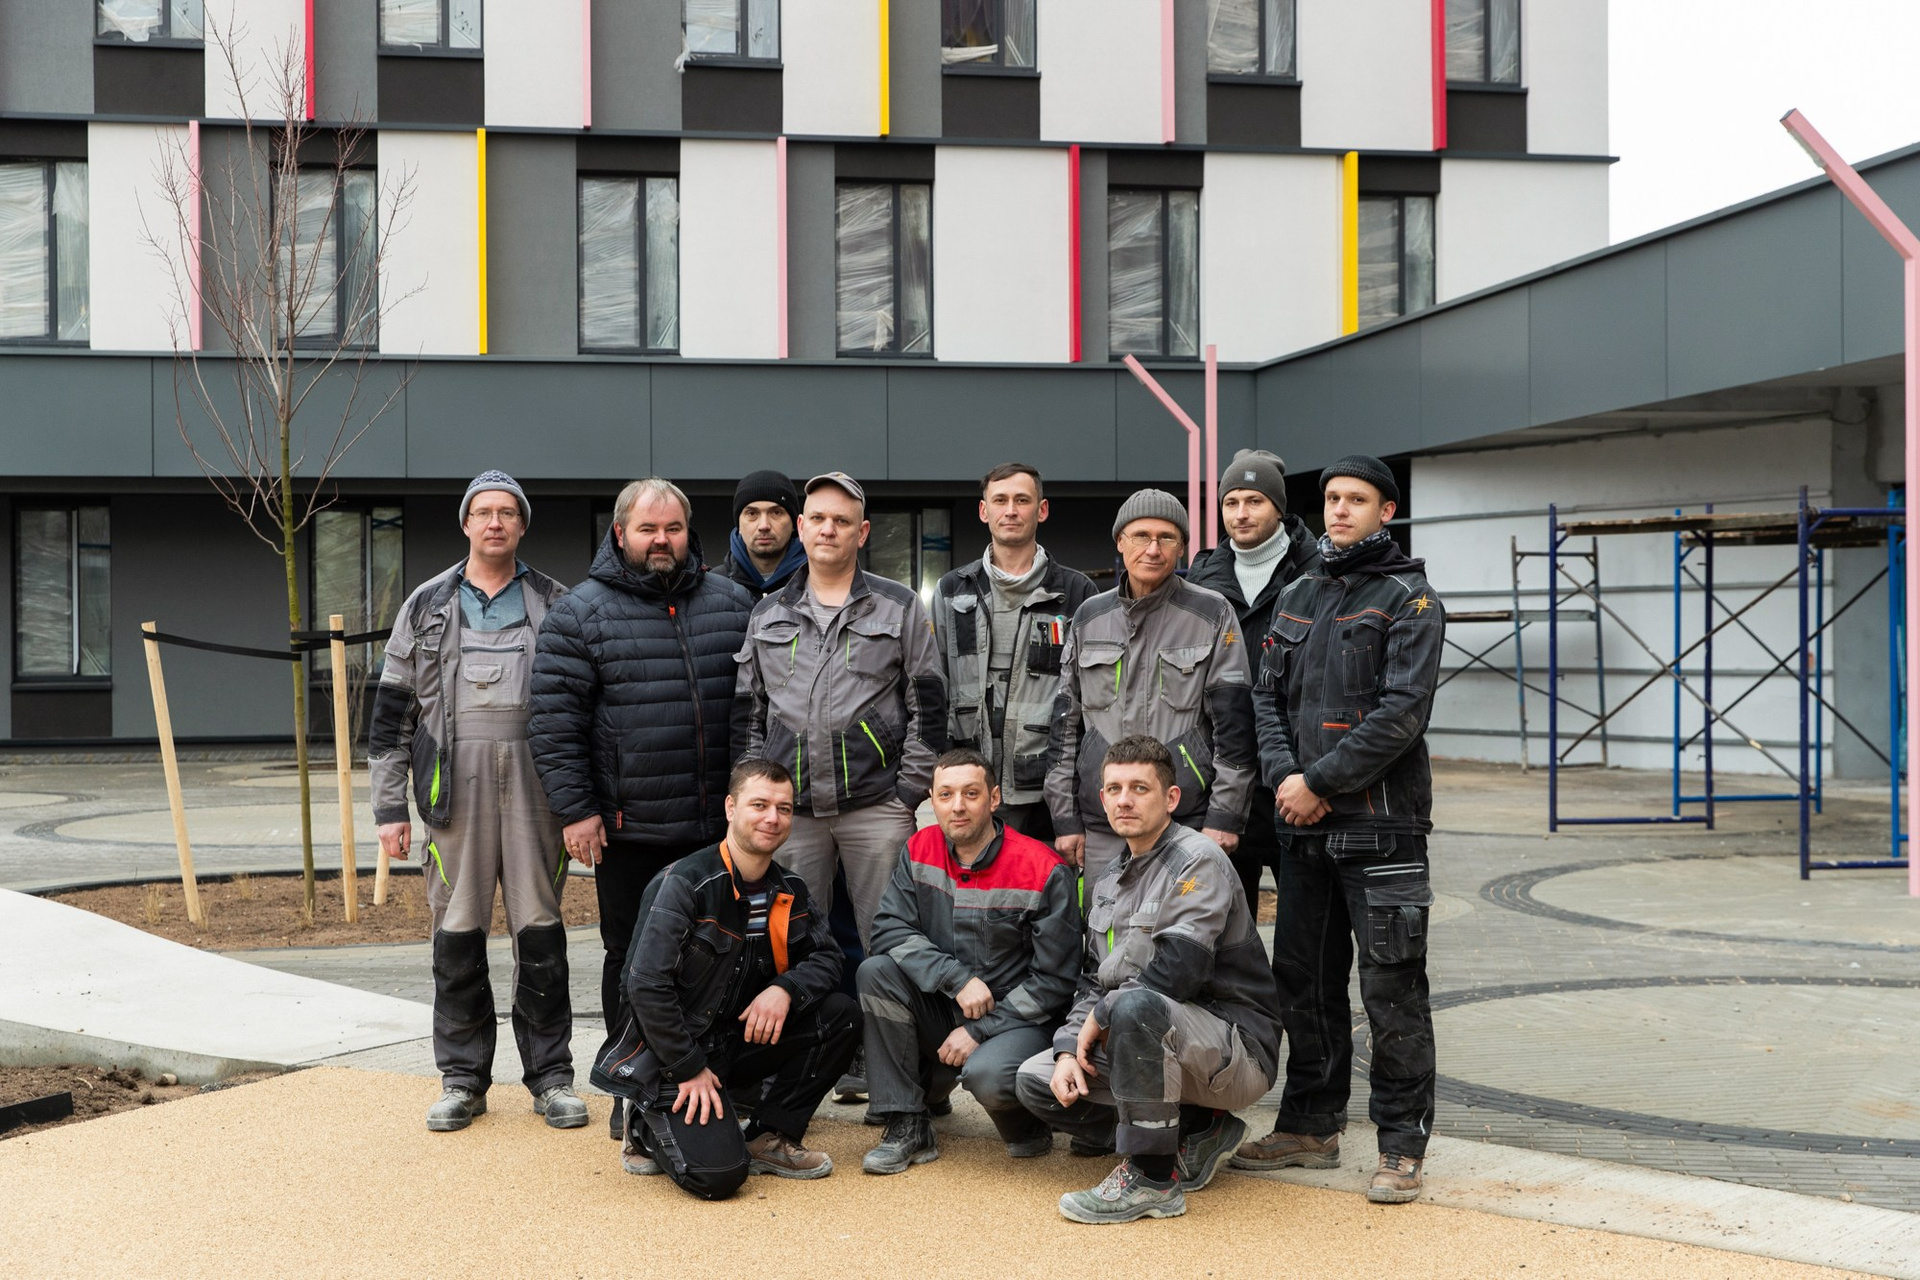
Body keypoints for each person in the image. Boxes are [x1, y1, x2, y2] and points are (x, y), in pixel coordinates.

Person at [1234, 454, 1445, 1206]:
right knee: (1304, 984)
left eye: (1357, 499)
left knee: (1392, 989)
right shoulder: (1299, 593)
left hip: (1381, 831)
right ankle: (1310, 1125)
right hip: (1302, 831)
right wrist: (1288, 780)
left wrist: (1317, 782)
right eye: (1331, 498)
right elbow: (1265, 699)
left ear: (1386, 510)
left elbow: (1401, 714)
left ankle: (1400, 1144)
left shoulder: (1411, 600)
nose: (1340, 510)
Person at [528, 477, 754, 1141]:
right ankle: (631, 1087)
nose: (662, 540)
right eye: (649, 529)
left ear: (689, 533)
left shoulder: (732, 603)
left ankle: (708, 1082)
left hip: (715, 827)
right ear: (620, 532)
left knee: (720, 956)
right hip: (629, 828)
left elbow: (754, 710)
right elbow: (555, 723)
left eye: (673, 529)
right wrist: (577, 810)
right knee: (632, 959)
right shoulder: (580, 613)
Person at [369, 470, 586, 1133]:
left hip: (536, 789)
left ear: (522, 524)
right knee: (458, 936)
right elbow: (391, 713)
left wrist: (582, 802)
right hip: (451, 789)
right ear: (465, 523)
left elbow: (583, 710)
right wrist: (388, 810)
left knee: (541, 935)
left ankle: (552, 1079)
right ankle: (462, 1081)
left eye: (507, 512)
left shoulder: (557, 602)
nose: (495, 522)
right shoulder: (426, 605)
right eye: (483, 512)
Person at [735, 470, 947, 1104]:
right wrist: (759, 797)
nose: (829, 530)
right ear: (802, 529)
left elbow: (929, 703)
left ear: (863, 532)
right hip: (791, 814)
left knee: (891, 946)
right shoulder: (768, 611)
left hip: (875, 807)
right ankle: (792, 1075)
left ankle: (899, 1086)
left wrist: (906, 794)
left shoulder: (900, 606)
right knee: (787, 943)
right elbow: (751, 713)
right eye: (819, 519)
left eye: (842, 521)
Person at [1015, 735, 1281, 1225]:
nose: (1125, 800)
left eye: (1139, 788)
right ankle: (1197, 1130)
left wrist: (1104, 1013)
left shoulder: (1198, 859)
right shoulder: (1107, 880)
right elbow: (1093, 980)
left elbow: (1179, 969)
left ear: (1171, 797)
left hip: (1232, 1048)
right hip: (1153, 1040)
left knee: (1136, 1006)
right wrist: (1068, 1049)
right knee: (1036, 1082)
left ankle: (1152, 1179)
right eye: (1114, 789)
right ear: (1102, 799)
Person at [591, 760, 860, 1198]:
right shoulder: (683, 883)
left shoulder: (788, 888)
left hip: (733, 1042)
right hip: (671, 1055)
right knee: (719, 1176)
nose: (773, 818)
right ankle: (642, 1123)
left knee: (842, 1015)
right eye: (760, 805)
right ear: (731, 808)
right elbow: (643, 985)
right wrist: (688, 1067)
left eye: (784, 808)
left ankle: (770, 1134)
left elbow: (828, 956)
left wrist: (785, 989)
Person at [857, 748, 1081, 1174]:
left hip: (1019, 1022)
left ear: (994, 798)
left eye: (970, 793)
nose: (957, 806)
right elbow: (888, 928)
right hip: (946, 1005)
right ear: (932, 800)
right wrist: (955, 978)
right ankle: (907, 1121)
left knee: (988, 1075)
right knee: (876, 973)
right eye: (945, 795)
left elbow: (1056, 982)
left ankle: (1026, 1124)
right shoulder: (919, 847)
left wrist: (980, 1029)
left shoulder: (1042, 868)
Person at [1044, 489, 1256, 885]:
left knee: (1183, 922)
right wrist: (1065, 817)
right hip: (1104, 822)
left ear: (1182, 548)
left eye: (1166, 537)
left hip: (1186, 821)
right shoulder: (1089, 617)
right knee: (1103, 921)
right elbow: (1064, 725)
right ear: (1120, 542)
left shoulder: (1213, 613)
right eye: (1141, 535)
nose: (1153, 549)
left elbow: (1236, 727)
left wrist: (1225, 816)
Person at [1183, 450, 1322, 910]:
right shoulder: (1202, 576)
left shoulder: (1318, 570)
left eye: (1254, 501)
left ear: (1278, 508)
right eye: (1231, 502)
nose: (1241, 513)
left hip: (1296, 776)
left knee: (1306, 928)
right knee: (1221, 923)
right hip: (1223, 777)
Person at [931, 464, 1096, 841]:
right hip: (970, 780)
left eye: (1022, 500)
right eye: (1000, 500)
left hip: (1045, 788)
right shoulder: (952, 590)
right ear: (983, 510)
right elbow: (935, 685)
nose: (1010, 510)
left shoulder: (1076, 592)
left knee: (1042, 877)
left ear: (1042, 510)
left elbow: (1086, 696)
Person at [716, 469, 807, 598]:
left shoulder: (817, 582)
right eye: (752, 513)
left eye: (776, 513)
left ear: (794, 523)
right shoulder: (713, 587)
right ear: (739, 525)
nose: (764, 526)